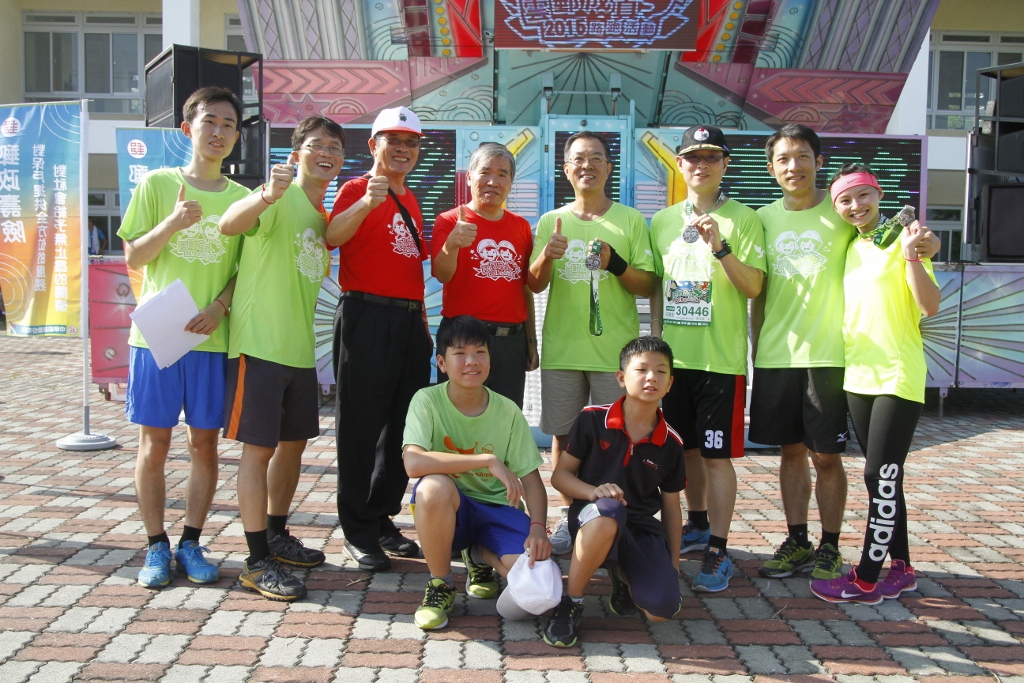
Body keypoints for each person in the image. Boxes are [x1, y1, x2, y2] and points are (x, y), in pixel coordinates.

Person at [750, 125, 940, 582]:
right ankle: (797, 540)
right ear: (772, 167)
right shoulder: (762, 218)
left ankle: (830, 546)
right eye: (783, 158)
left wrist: (925, 245)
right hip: (777, 356)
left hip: (835, 359)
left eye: (802, 156)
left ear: (818, 160)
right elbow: (757, 289)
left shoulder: (845, 218)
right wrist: (756, 350)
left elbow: (900, 241)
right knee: (790, 454)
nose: (793, 165)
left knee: (827, 457)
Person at [118, 86, 249, 589]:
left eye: (228, 125)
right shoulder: (157, 184)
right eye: (209, 122)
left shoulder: (242, 199)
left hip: (210, 338)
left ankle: (191, 541)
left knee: (204, 445)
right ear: (187, 129)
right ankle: (155, 546)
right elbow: (135, 257)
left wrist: (220, 307)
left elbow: (244, 271)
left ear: (237, 136)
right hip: (156, 336)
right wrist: (172, 223)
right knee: (153, 444)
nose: (218, 133)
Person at [219, 115, 346, 601]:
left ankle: (276, 533)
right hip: (260, 345)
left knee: (292, 446)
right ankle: (255, 561)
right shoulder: (277, 196)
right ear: (297, 154)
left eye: (334, 146)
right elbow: (230, 225)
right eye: (316, 145)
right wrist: (267, 194)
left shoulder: (322, 217)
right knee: (259, 450)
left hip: (299, 353)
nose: (326, 153)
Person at [810, 164, 939, 604]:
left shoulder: (907, 242)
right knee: (887, 478)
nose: (855, 206)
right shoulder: (853, 246)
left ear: (878, 195)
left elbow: (930, 306)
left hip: (897, 374)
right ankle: (901, 567)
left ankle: (866, 578)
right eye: (845, 200)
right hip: (857, 376)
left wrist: (913, 255)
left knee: (878, 474)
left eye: (863, 196)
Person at [649, 124, 765, 593]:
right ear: (680, 165)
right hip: (677, 363)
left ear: (725, 165)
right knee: (684, 451)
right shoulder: (661, 222)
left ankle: (719, 549)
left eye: (711, 157)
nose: (701, 165)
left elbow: (754, 287)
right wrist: (656, 348)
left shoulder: (745, 219)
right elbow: (658, 290)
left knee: (717, 457)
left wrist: (721, 247)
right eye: (693, 158)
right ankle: (696, 524)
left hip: (721, 363)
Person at [528, 131, 656, 555]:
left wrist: (613, 263)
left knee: (619, 437)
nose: (587, 165)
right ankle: (571, 518)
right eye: (578, 159)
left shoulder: (631, 220)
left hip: (614, 354)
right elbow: (533, 282)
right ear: (566, 169)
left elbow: (647, 283)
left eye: (596, 158)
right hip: (563, 350)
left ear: (608, 167)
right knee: (564, 437)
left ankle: (618, 515)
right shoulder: (551, 220)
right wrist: (547, 254)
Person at [327, 106, 432, 571]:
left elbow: (411, 269)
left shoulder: (411, 198)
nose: (403, 150)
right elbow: (332, 236)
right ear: (373, 146)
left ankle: (382, 516)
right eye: (393, 140)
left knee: (399, 428)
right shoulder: (355, 188)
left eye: (410, 142)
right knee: (360, 426)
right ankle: (357, 528)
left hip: (410, 321)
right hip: (365, 314)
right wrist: (367, 202)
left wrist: (423, 323)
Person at [403, 316, 551, 630]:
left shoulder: (507, 409)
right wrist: (485, 460)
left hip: (498, 509)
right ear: (442, 362)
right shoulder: (426, 400)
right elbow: (413, 463)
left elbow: (532, 481)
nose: (471, 362)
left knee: (535, 584)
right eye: (460, 354)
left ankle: (481, 556)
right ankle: (440, 584)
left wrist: (538, 527)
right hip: (452, 512)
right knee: (432, 488)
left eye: (480, 352)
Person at [543, 336, 685, 648]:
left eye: (661, 372)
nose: (651, 378)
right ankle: (572, 602)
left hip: (639, 526)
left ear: (670, 383)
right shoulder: (592, 418)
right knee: (609, 511)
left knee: (661, 610)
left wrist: (673, 564)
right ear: (621, 378)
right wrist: (593, 492)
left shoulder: (671, 442)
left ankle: (623, 573)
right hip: (594, 516)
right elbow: (560, 477)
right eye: (642, 370)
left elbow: (672, 509)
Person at [431, 143, 538, 407]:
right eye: (485, 172)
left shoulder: (521, 227)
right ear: (469, 176)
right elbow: (441, 274)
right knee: (457, 418)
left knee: (505, 417)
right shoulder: (448, 220)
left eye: (502, 174)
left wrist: (531, 341)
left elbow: (524, 289)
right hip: (464, 339)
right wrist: (452, 243)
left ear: (511, 182)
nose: (493, 181)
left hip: (510, 343)